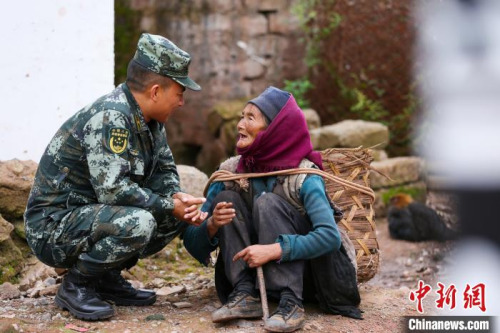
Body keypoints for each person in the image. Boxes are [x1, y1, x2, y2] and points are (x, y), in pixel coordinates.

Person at [24, 33, 208, 321]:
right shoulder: (111, 117)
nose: (182, 102)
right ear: (156, 91)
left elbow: (165, 170)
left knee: (173, 213)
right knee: (142, 220)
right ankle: (77, 285)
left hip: (91, 218)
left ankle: (106, 277)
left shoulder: (151, 123)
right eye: (180, 93)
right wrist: (169, 204)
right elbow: (113, 191)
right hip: (53, 227)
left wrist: (176, 197)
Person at [183, 87, 361, 332]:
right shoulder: (232, 172)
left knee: (267, 202)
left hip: (310, 279)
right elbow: (192, 242)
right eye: (241, 116)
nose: (239, 125)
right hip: (259, 281)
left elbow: (330, 237)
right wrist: (212, 224)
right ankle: (244, 293)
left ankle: (291, 303)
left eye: (250, 118)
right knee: (227, 199)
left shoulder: (303, 176)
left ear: (275, 129)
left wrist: (275, 249)